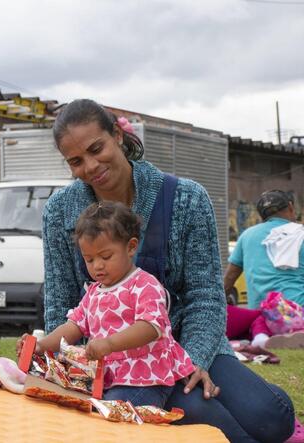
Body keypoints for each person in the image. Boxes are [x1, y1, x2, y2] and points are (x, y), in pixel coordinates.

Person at [42, 99, 295, 442]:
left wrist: (192, 362)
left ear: (117, 135)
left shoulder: (186, 199)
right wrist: (77, 366)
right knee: (205, 417)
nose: (90, 166)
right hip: (117, 363)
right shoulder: (59, 213)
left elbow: (205, 297)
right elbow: (61, 305)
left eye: (96, 148)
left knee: (270, 418)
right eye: (76, 161)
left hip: (188, 345)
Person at [18, 201, 193, 407]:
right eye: (89, 260)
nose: (98, 266)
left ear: (131, 247)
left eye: (106, 256)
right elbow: (73, 327)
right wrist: (41, 346)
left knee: (112, 415)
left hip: (144, 377)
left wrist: (109, 344)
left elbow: (150, 327)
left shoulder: (144, 284)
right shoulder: (93, 292)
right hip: (105, 378)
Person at [224, 190, 304, 349]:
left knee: (253, 320)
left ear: (262, 215)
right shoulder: (300, 233)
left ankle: (261, 337)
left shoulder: (246, 236)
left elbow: (228, 281)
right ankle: (295, 331)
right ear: (290, 207)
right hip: (297, 311)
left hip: (262, 316)